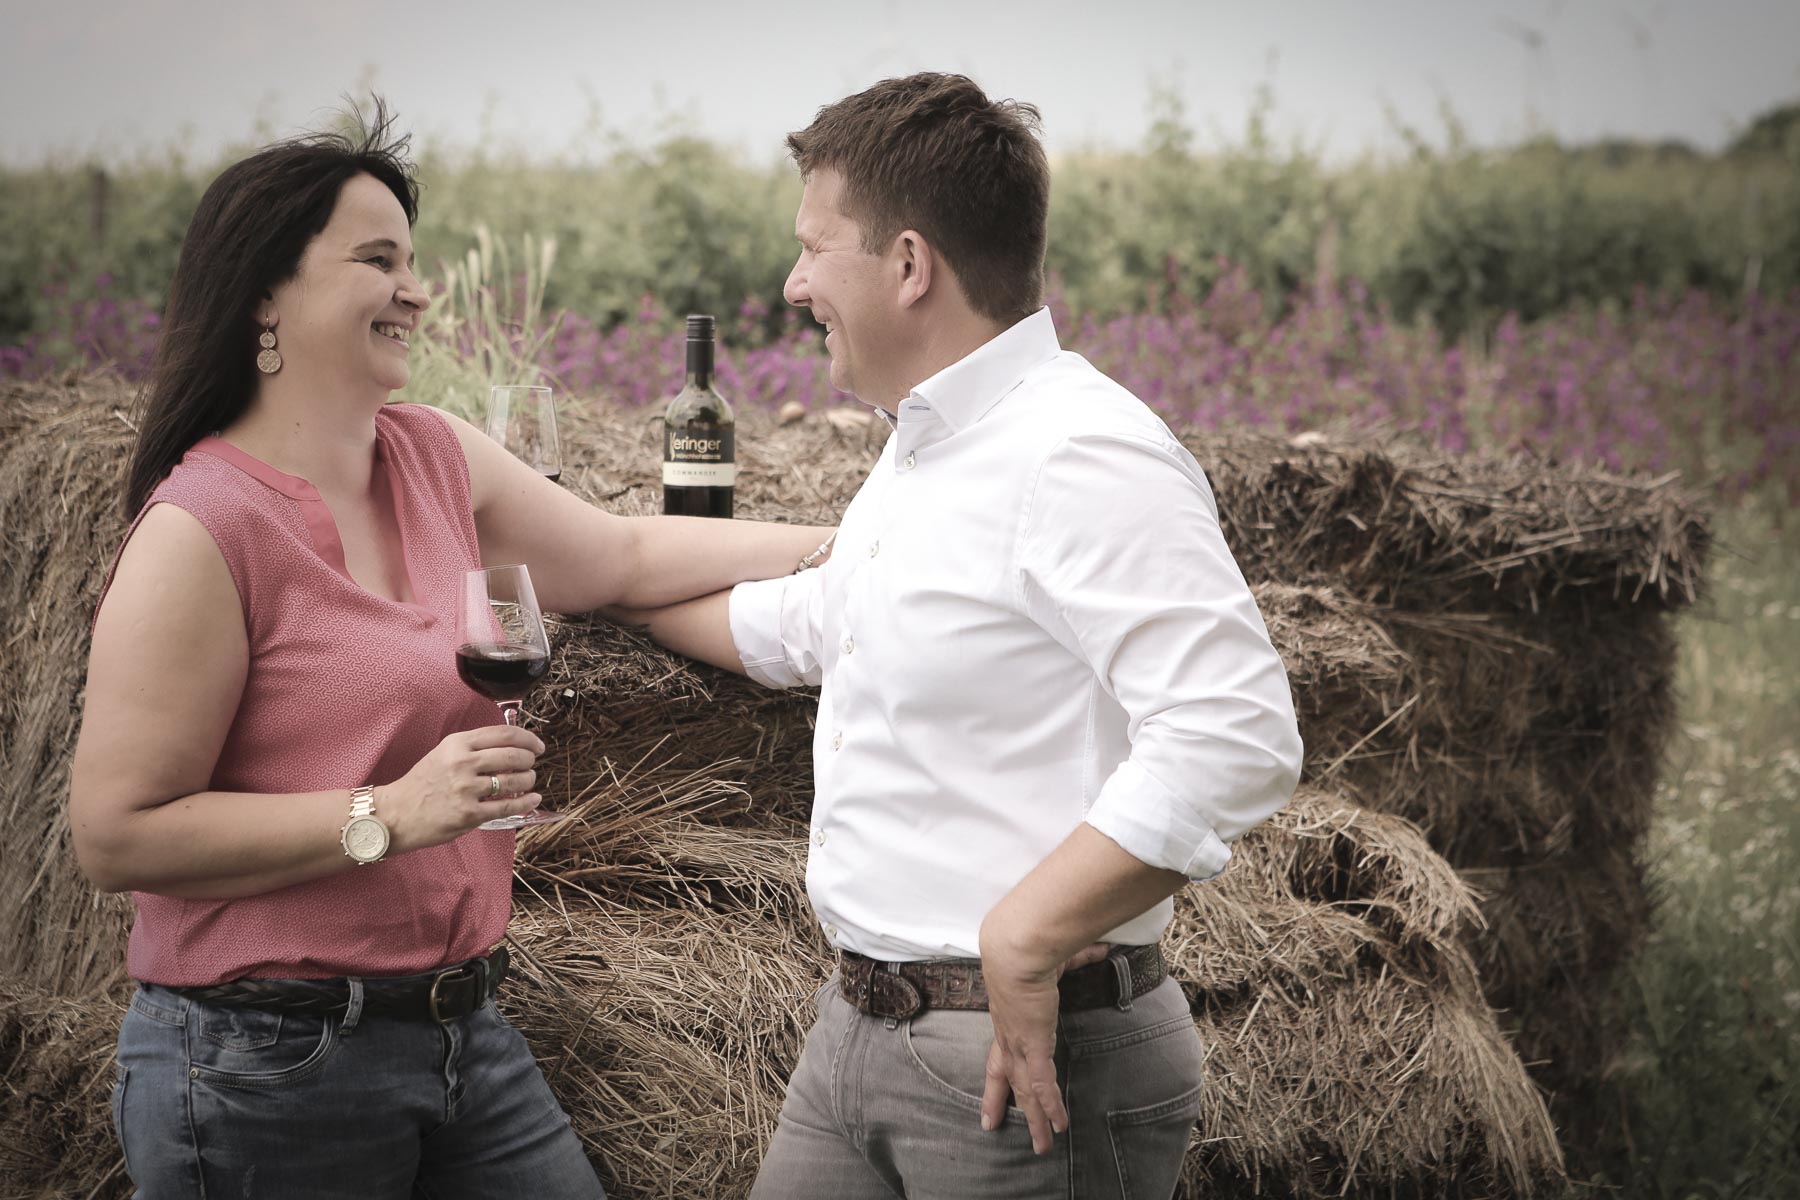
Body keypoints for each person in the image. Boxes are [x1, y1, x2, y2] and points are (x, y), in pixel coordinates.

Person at [66, 101, 832, 1200]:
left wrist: (853, 546)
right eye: (378, 260)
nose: (417, 289)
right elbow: (114, 833)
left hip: (461, 1027)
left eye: (414, 260)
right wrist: (391, 814)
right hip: (263, 1064)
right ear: (265, 296)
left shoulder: (433, 455)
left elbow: (620, 558)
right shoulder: (203, 531)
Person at [615, 73, 1304, 1198]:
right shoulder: (925, 444)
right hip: (854, 1033)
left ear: (907, 264)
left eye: (814, 248)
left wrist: (1029, 929)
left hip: (1027, 1060)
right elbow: (815, 624)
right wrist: (603, 580)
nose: (793, 285)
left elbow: (1234, 731)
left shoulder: (1080, 453)